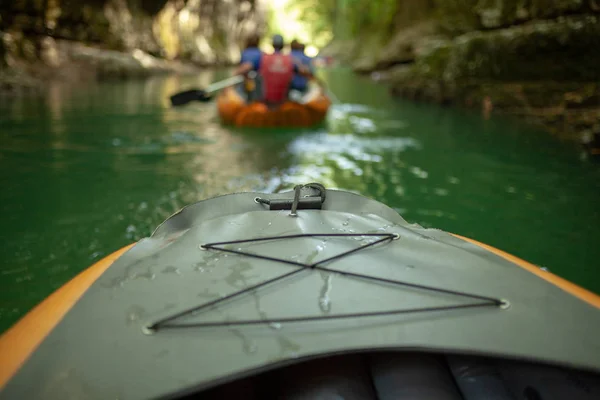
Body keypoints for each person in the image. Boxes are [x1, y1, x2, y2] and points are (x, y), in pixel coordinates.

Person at [238, 34, 311, 106]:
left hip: (264, 101)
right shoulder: (291, 59)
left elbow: (246, 68)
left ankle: (252, 101)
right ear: (283, 46)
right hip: (284, 100)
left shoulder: (263, 57)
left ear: (272, 45)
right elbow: (304, 71)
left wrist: (235, 73)